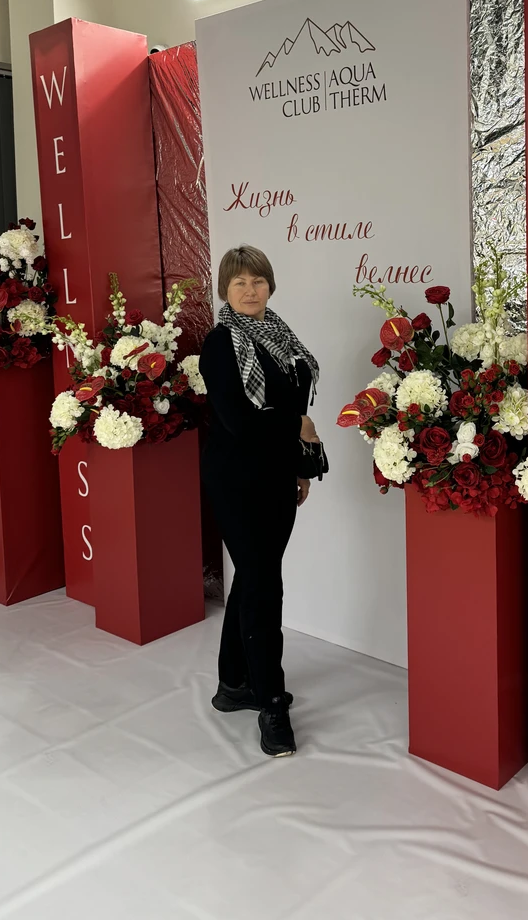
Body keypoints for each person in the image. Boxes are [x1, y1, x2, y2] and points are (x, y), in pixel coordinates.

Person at [199, 245, 321, 758]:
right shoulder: (220, 343)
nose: (250, 290)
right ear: (224, 290)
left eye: (258, 281)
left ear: (270, 285)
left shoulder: (280, 336)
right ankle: (271, 702)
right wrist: (297, 425)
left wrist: (299, 466)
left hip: (275, 477)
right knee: (265, 586)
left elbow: (291, 402)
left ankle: (233, 684)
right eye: (239, 282)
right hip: (237, 480)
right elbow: (238, 421)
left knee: (254, 578)